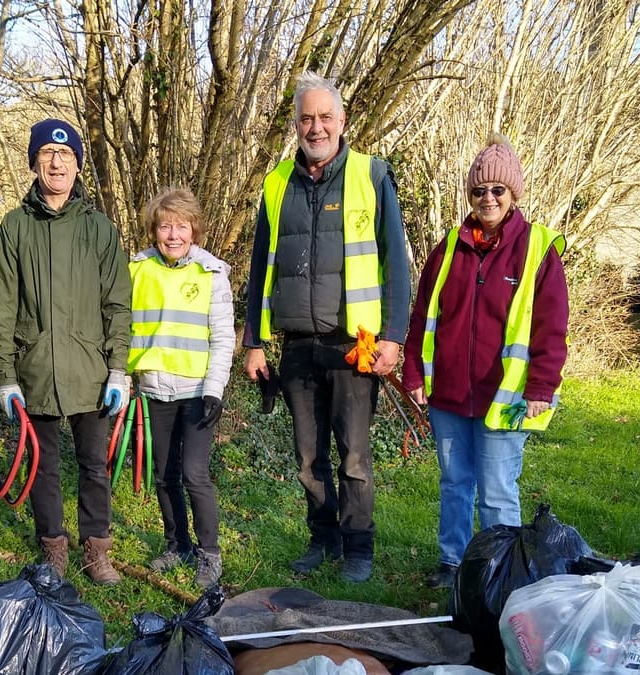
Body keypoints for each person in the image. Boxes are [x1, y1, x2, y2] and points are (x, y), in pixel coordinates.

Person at [242, 71, 412, 583]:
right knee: (307, 458)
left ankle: (358, 546)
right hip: (296, 344)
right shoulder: (276, 184)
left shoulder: (372, 175)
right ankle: (323, 538)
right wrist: (254, 341)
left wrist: (394, 336)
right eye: (306, 117)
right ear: (295, 124)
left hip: (354, 345)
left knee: (355, 457)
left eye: (324, 116)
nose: (315, 127)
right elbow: (258, 268)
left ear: (342, 121)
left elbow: (397, 265)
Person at [401, 133, 569, 589]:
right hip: (449, 395)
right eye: (479, 191)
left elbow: (552, 328)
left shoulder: (538, 249)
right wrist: (413, 372)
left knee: (496, 493)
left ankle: (500, 573)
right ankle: (452, 565)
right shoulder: (448, 248)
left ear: (513, 194)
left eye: (497, 190)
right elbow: (423, 316)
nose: (488, 198)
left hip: (505, 397)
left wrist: (541, 387)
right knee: (455, 485)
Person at [0, 118, 131, 585]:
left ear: (77, 165)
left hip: (91, 373)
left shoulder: (99, 228)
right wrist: (5, 377)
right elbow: (2, 307)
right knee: (42, 465)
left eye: (65, 155)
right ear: (34, 162)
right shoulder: (14, 228)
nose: (56, 162)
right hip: (35, 373)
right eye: (47, 153)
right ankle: (53, 548)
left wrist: (118, 370)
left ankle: (96, 550)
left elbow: (117, 303)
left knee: (94, 465)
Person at [128, 187, 235, 589]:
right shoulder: (137, 270)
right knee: (164, 474)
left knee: (194, 474)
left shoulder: (211, 274)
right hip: (155, 390)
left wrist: (214, 390)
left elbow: (224, 338)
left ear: (195, 230)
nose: (173, 235)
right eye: (165, 226)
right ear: (154, 230)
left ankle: (210, 554)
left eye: (181, 226)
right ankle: (178, 545)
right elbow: (124, 329)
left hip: (197, 393)